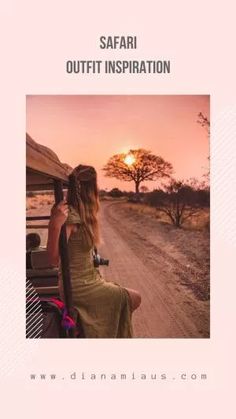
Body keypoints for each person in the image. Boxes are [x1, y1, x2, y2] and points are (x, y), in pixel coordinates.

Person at [47, 164, 141, 338]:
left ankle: (90, 330)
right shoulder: (71, 217)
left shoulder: (84, 215)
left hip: (90, 280)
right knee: (134, 298)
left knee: (123, 295)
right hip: (78, 286)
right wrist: (54, 224)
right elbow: (53, 260)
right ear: (91, 189)